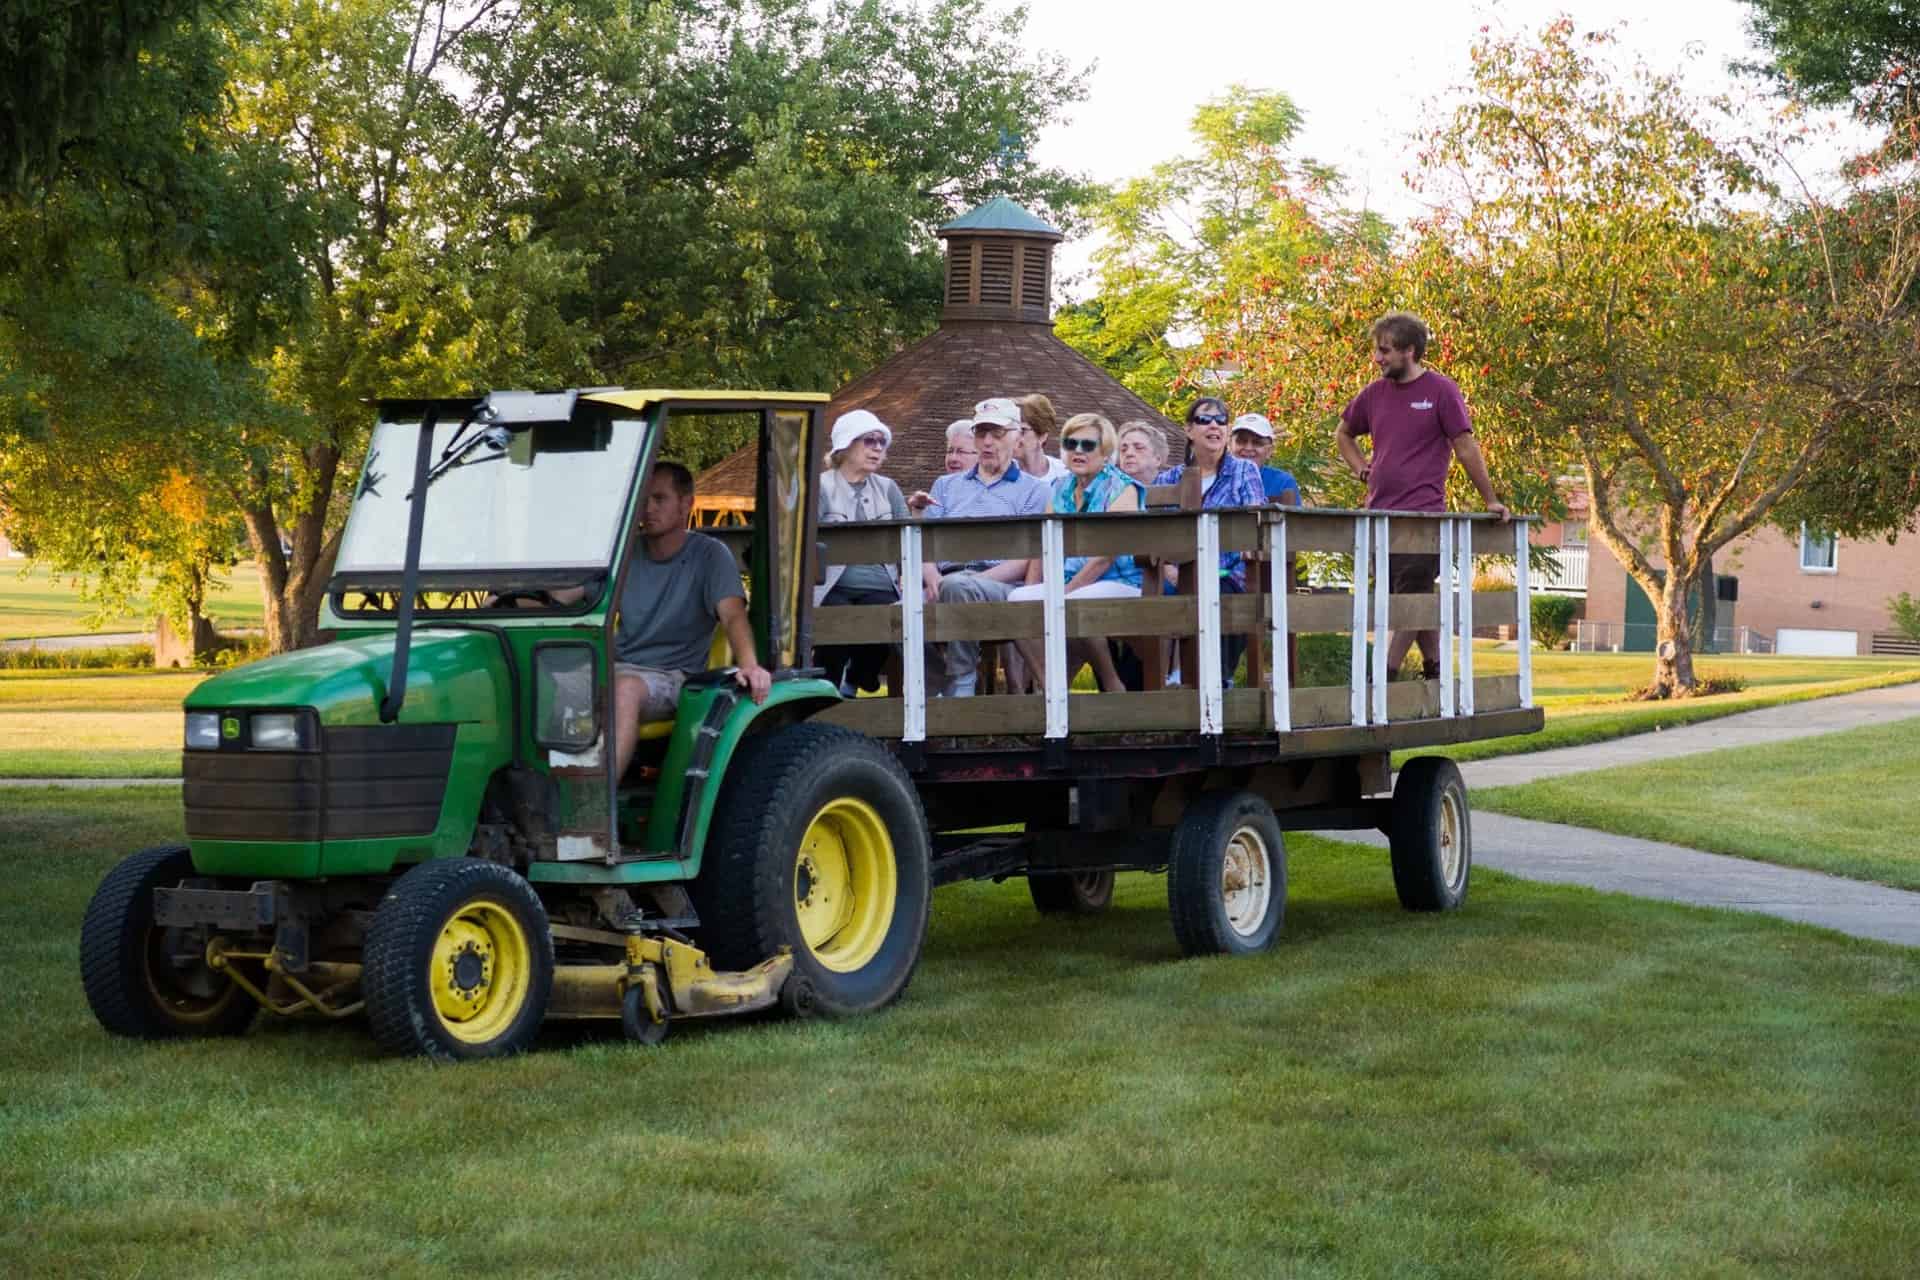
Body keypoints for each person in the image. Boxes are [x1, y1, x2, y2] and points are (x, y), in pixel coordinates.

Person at [1334, 310, 1509, 680]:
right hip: (1380, 514)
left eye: (1384, 350)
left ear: (1410, 350)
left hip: (1423, 516)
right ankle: (1436, 669)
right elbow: (1344, 434)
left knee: (1410, 597)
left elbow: (1465, 447)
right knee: (1411, 597)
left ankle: (1382, 675)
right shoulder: (1374, 393)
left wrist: (1490, 498)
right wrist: (1361, 468)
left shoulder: (1441, 391)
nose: (1377, 358)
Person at [594, 461, 770, 779]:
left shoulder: (710, 556)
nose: (647, 509)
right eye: (643, 499)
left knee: (625, 689)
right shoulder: (626, 553)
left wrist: (750, 665)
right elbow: (575, 592)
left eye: (659, 499)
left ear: (686, 503)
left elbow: (732, 615)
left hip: (675, 677)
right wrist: (515, 597)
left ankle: (592, 812)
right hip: (617, 666)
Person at [910, 397, 1051, 696]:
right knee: (895, 615)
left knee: (959, 588)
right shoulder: (946, 486)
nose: (987, 442)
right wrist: (932, 575)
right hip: (944, 580)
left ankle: (961, 682)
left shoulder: (1035, 489)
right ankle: (939, 683)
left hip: (1000, 583)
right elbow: (923, 540)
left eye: (997, 434)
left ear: (1016, 438)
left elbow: (1028, 558)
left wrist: (972, 581)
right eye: (981, 433)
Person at [1007, 413, 1145, 692]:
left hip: (1120, 581)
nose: (1078, 451)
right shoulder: (1059, 488)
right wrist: (1040, 587)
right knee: (1017, 599)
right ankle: (1050, 685)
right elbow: (1046, 545)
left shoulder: (1122, 488)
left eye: (1088, 445)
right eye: (1071, 444)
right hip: (1069, 583)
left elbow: (1107, 555)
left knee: (1075, 604)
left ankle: (1112, 683)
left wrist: (1066, 591)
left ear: (1105, 452)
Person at [814, 410, 909, 695]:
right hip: (833, 584)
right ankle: (824, 694)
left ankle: (856, 679)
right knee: (836, 620)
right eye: (870, 441)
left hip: (880, 584)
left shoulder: (888, 488)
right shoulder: (821, 487)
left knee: (886, 616)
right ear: (846, 444)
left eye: (882, 442)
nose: (878, 448)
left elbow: (906, 536)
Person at [1229, 413, 1301, 506]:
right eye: (1241, 441)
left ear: (1270, 451)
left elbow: (1292, 519)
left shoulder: (1282, 482)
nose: (1248, 448)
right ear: (1230, 445)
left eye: (1257, 443)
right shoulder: (1214, 478)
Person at [1015, 393, 1070, 483]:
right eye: (1012, 430)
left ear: (1042, 436)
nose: (1014, 437)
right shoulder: (1000, 473)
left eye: (1022, 430)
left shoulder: (1065, 475)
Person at [1115, 420, 1169, 487]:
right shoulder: (1107, 490)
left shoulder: (1176, 482)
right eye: (1123, 450)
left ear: (1157, 459)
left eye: (1139, 448)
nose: (1128, 453)